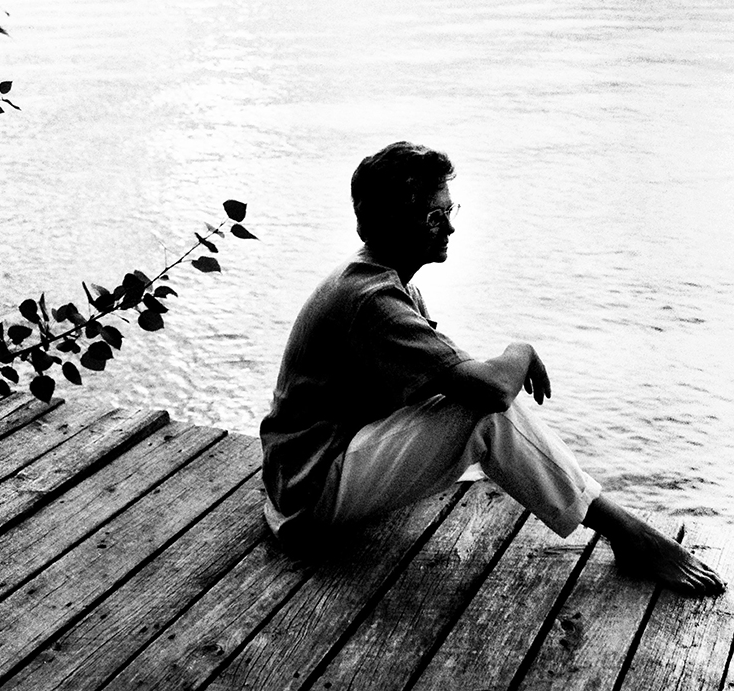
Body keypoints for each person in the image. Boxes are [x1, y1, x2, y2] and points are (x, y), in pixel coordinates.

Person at [260, 141, 725, 596]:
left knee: (473, 402)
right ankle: (630, 534)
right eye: (435, 216)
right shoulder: (373, 300)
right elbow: (493, 393)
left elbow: (450, 384)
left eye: (449, 211)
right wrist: (520, 351)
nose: (449, 228)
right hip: (307, 500)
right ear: (391, 221)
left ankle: (619, 527)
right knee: (487, 414)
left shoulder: (384, 285)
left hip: (300, 482)